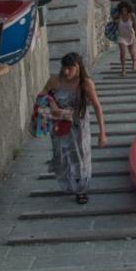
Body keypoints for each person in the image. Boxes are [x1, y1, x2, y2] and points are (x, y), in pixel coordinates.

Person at [40, 52, 107, 204]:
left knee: (81, 156)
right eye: (64, 68)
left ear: (78, 67)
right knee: (62, 156)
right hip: (59, 125)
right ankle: (69, 184)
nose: (66, 71)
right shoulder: (54, 80)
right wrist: (52, 103)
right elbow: (42, 95)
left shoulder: (86, 83)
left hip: (79, 126)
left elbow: (97, 106)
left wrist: (102, 133)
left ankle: (82, 189)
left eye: (70, 68)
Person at [115, 1, 136, 73]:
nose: (124, 12)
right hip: (121, 37)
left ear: (128, 9)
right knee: (123, 52)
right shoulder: (118, 16)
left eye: (125, 10)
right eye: (122, 10)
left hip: (130, 36)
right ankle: (123, 68)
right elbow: (113, 25)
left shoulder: (132, 15)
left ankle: (134, 63)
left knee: (132, 52)